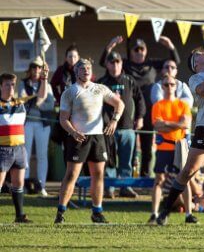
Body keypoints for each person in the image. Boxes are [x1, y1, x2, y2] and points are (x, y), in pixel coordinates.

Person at [55, 59, 125, 224]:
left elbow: (119, 104)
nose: (86, 70)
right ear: (76, 71)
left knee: (99, 175)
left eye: (88, 67)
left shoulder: (99, 88)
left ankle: (97, 211)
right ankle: (60, 213)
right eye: (82, 68)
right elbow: (63, 119)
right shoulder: (70, 91)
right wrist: (73, 131)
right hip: (78, 137)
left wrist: (114, 121)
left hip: (97, 137)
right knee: (72, 175)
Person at [100, 35, 180, 178]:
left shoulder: (151, 64)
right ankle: (126, 179)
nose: (138, 52)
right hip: (128, 114)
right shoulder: (125, 65)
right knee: (127, 149)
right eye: (135, 50)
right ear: (131, 52)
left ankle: (144, 174)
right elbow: (105, 62)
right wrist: (110, 46)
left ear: (146, 50)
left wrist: (171, 46)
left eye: (141, 49)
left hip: (147, 110)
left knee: (147, 146)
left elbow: (173, 63)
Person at [157, 49, 204, 226]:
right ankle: (166, 210)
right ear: (195, 64)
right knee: (188, 171)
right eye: (198, 55)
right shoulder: (195, 79)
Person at [97, 51, 145, 199]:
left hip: (127, 127)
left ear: (121, 63)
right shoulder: (102, 82)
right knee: (110, 159)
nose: (115, 65)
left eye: (118, 62)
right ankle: (109, 188)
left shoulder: (129, 80)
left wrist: (140, 117)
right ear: (107, 64)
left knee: (126, 161)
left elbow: (140, 100)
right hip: (108, 128)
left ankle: (125, 187)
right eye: (112, 62)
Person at [1, 72, 48, 223]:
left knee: (19, 183)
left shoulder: (21, 103)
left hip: (19, 149)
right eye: (7, 84)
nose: (10, 87)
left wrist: (44, 79)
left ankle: (19, 215)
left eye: (12, 84)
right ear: (0, 86)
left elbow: (41, 95)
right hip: (2, 149)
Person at [149, 73, 195, 224]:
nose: (169, 87)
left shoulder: (183, 105)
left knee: (184, 180)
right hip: (163, 148)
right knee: (159, 180)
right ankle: (154, 213)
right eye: (166, 85)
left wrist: (167, 124)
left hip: (179, 147)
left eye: (172, 84)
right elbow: (157, 125)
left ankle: (189, 214)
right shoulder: (158, 105)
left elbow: (185, 125)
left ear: (176, 86)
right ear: (162, 87)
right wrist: (176, 124)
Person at [18, 57, 54, 197]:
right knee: (25, 154)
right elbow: (22, 100)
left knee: (42, 155)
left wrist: (39, 103)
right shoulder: (23, 83)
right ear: (30, 69)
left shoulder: (47, 85)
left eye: (39, 68)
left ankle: (41, 186)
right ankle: (24, 185)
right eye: (34, 67)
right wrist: (38, 98)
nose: (36, 70)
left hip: (42, 124)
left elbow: (50, 104)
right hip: (27, 123)